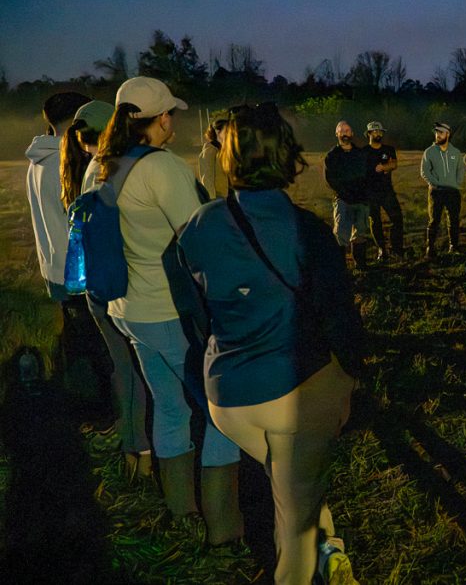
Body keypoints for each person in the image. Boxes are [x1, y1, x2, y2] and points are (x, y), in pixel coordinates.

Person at [179, 102, 364, 585]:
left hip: (228, 400)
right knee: (295, 532)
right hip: (293, 395)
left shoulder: (197, 227)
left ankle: (330, 543)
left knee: (293, 482)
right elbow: (342, 323)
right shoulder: (309, 233)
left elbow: (198, 316)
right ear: (287, 157)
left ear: (227, 156)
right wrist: (351, 382)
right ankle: (308, 557)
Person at [93, 76, 242, 545]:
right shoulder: (162, 168)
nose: (173, 121)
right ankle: (223, 528)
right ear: (160, 119)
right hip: (168, 312)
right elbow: (199, 239)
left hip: (125, 309)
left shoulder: (101, 164)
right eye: (170, 114)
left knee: (170, 406)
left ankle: (181, 511)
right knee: (221, 413)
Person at [63, 100, 153, 480]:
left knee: (122, 370)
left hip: (94, 287)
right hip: (117, 285)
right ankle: (145, 456)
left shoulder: (84, 171)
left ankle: (134, 452)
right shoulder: (112, 170)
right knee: (136, 372)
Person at [27, 90, 113, 423]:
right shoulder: (66, 162)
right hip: (77, 270)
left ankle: (79, 410)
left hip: (54, 267)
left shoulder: (38, 159)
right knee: (98, 351)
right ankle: (102, 415)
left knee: (78, 346)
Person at [324, 120, 371, 269]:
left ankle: (361, 265)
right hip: (343, 200)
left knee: (360, 234)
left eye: (347, 130)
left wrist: (364, 193)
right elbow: (330, 179)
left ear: (352, 134)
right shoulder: (332, 156)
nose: (345, 133)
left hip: (361, 200)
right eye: (341, 130)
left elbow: (367, 175)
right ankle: (339, 267)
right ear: (337, 134)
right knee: (340, 235)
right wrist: (345, 193)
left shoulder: (360, 154)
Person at [420, 121, 465, 257]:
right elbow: (424, 171)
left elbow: (460, 170)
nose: (437, 135)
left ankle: (453, 246)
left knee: (454, 219)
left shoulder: (455, 152)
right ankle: (430, 248)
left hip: (453, 192)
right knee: (434, 220)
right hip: (436, 192)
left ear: (447, 134)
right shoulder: (429, 152)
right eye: (436, 133)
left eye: (440, 133)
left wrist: (456, 184)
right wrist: (435, 183)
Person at [364, 120, 405, 261]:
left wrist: (384, 167)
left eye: (380, 131)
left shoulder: (388, 149)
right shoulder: (364, 152)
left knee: (397, 218)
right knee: (375, 221)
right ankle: (382, 249)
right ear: (369, 133)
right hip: (370, 193)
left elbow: (394, 163)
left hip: (387, 191)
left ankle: (396, 249)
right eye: (375, 131)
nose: (378, 133)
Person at [197, 114, 229, 199]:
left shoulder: (229, 148)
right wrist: (211, 198)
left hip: (231, 195)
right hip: (219, 197)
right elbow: (207, 177)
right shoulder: (210, 150)